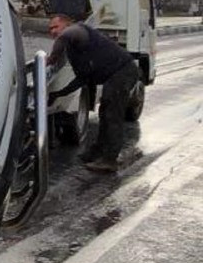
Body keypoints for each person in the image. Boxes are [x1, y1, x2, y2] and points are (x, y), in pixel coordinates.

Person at [46, 13, 140, 173]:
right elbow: (81, 79)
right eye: (50, 29)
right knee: (105, 112)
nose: (53, 31)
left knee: (112, 114)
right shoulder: (74, 49)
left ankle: (109, 160)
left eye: (56, 27)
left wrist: (51, 59)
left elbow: (66, 36)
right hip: (114, 74)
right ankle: (97, 152)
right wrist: (59, 94)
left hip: (123, 71)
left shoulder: (78, 30)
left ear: (67, 25)